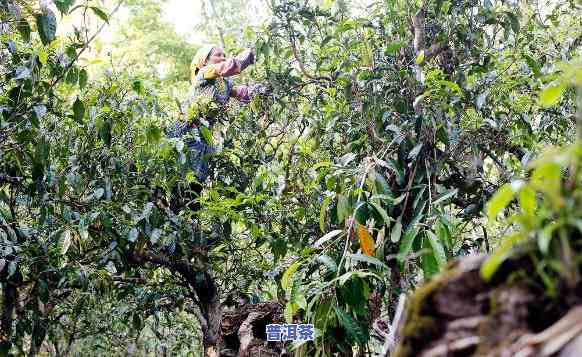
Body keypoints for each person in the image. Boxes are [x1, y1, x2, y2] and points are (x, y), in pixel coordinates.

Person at [166, 45, 264, 212]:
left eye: (224, 55)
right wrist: (249, 54)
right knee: (182, 176)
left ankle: (189, 223)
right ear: (205, 60)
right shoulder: (204, 73)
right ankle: (174, 216)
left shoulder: (224, 84)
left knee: (197, 180)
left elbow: (241, 93)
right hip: (185, 129)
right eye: (218, 55)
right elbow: (230, 66)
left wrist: (262, 90)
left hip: (203, 135)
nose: (223, 57)